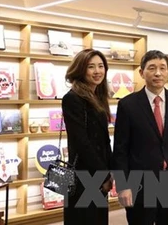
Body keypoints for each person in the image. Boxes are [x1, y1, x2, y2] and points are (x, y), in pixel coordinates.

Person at [112, 50, 168, 225]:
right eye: (152, 68)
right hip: (140, 182)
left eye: (163, 68)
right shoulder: (128, 104)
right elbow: (120, 149)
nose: (158, 73)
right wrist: (122, 186)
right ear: (141, 72)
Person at [62, 49, 113, 225]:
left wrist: (110, 170)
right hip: (83, 175)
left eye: (101, 66)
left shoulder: (98, 96)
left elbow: (104, 139)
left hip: (97, 173)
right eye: (91, 67)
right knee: (84, 219)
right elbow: (82, 142)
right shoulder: (72, 98)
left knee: (98, 219)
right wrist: (104, 174)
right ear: (81, 69)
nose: (97, 71)